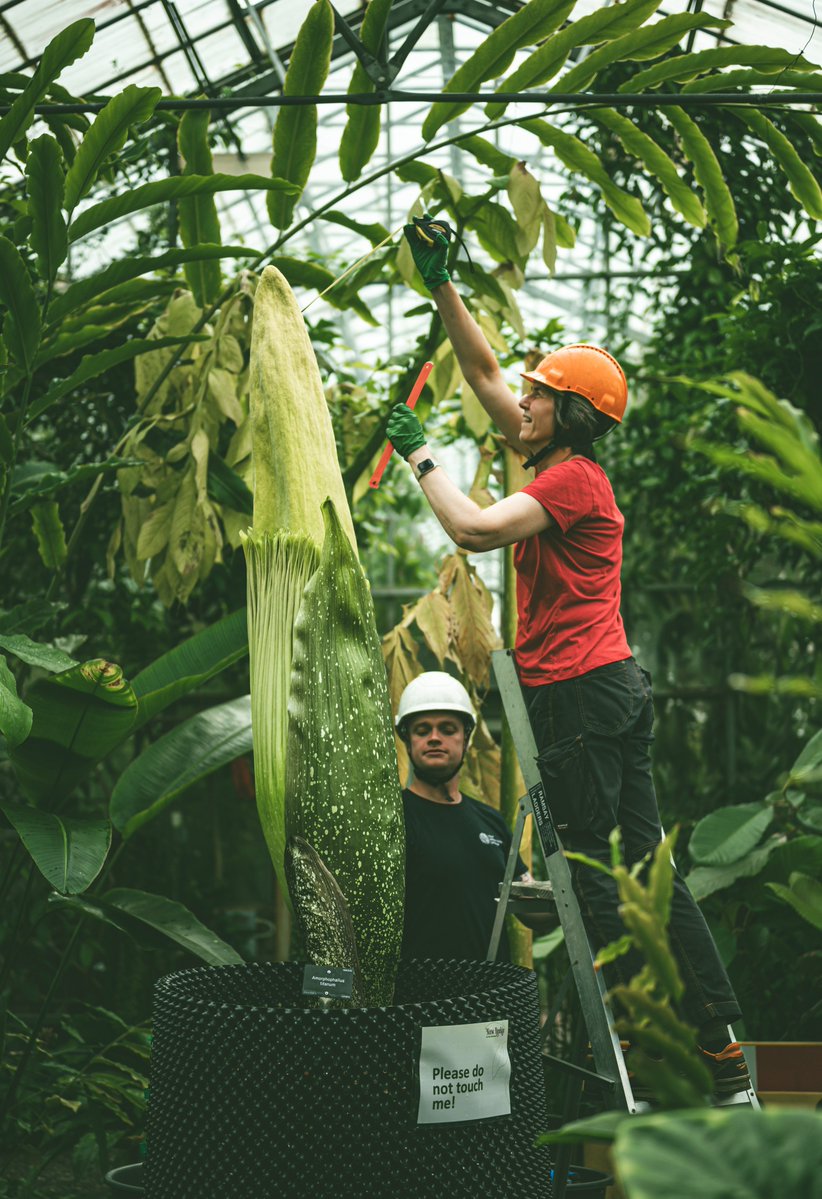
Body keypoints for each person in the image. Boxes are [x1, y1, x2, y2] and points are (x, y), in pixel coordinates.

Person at [385, 216, 750, 1095]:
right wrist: (444, 283)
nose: (523, 399)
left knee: (588, 876)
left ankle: (635, 1049)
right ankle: (720, 1039)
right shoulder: (559, 457)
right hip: (610, 687)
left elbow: (471, 527)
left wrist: (421, 455)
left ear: (569, 413)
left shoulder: (570, 480)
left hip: (580, 698)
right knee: (645, 862)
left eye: (539, 393)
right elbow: (478, 373)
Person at [396, 670, 543, 963]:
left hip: (486, 999)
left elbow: (531, 908)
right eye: (423, 730)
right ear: (408, 740)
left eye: (448, 729)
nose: (435, 738)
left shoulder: (491, 822)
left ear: (465, 739)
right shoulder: (393, 819)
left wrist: (582, 891)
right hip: (418, 1001)